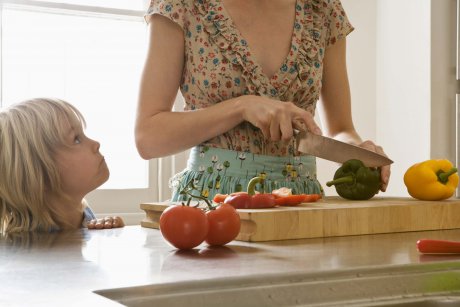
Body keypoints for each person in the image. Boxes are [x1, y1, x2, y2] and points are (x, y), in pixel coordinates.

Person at [135, 0, 391, 201]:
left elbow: (341, 129)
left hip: (301, 202)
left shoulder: (323, 9)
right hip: (212, 204)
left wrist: (359, 150)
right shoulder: (182, 4)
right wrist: (241, 106)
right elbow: (148, 137)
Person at [0, 98, 124, 234]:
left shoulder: (82, 214)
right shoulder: (35, 245)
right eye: (76, 139)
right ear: (41, 176)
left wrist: (107, 231)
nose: (96, 143)